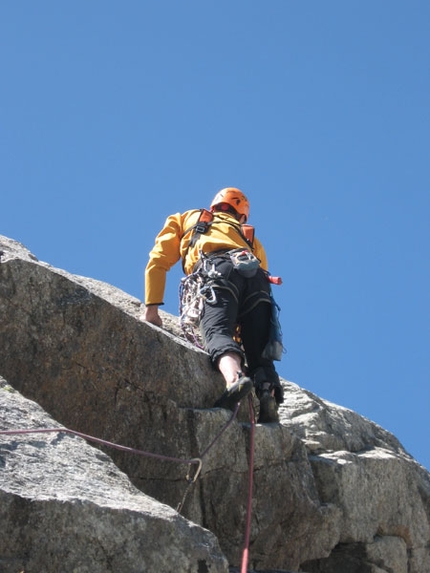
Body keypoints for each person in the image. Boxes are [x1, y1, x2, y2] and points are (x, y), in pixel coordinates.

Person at [143, 187, 284, 423]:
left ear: (214, 206)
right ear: (242, 215)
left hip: (216, 271)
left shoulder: (186, 219)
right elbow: (263, 276)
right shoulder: (250, 238)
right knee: (259, 351)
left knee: (216, 332)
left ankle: (234, 380)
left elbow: (158, 260)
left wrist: (152, 309)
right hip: (257, 281)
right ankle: (267, 395)